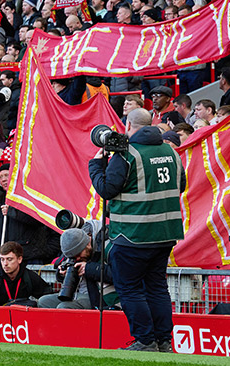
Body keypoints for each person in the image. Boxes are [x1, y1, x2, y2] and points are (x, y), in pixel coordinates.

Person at [89, 108, 186, 352]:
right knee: (157, 288)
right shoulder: (171, 151)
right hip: (164, 234)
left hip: (131, 235)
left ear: (128, 126)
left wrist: (96, 164)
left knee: (130, 290)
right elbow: (181, 185)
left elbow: (107, 189)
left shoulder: (127, 154)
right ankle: (164, 341)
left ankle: (145, 340)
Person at [38, 224, 115, 310]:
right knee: (43, 302)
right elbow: (63, 264)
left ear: (87, 244)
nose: (77, 259)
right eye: (73, 257)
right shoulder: (72, 246)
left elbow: (120, 275)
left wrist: (89, 268)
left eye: (78, 255)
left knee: (64, 308)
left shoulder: (107, 246)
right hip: (75, 293)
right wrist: (62, 274)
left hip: (100, 297)